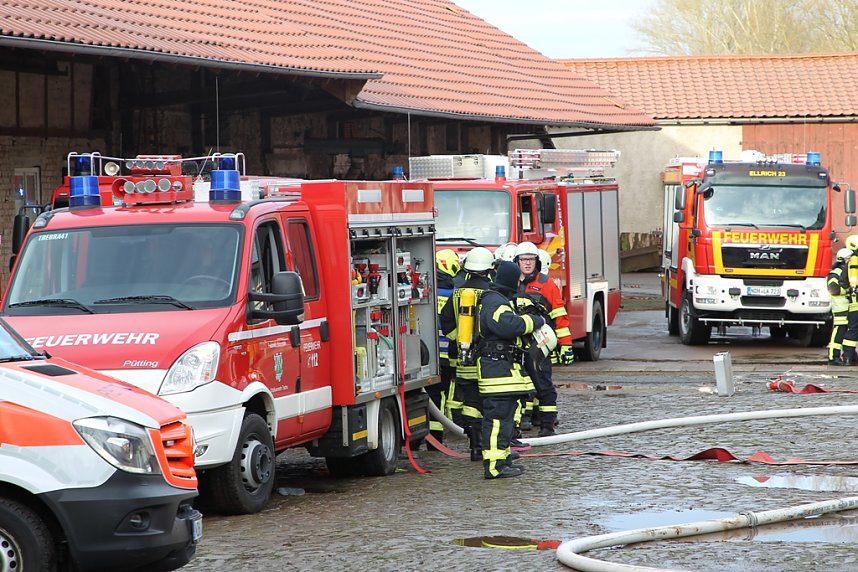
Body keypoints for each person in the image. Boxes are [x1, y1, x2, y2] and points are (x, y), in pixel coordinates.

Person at [476, 260, 543, 479]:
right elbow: (507, 325)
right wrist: (534, 321)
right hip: (496, 370)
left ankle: (502, 457)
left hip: (502, 368)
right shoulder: (495, 302)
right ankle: (495, 467)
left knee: (504, 418)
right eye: (517, 279)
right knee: (497, 419)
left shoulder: (498, 299)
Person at [439, 246, 495, 461]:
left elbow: (447, 322)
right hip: (488, 359)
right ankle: (491, 445)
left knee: (470, 401)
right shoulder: (493, 293)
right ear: (489, 269)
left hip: (463, 359)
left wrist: (459, 341)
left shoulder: (457, 293)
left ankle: (474, 447)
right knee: (489, 402)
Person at [513, 241, 572, 437]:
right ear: (517, 261)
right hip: (516, 343)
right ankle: (520, 424)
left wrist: (566, 345)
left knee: (543, 383)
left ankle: (547, 425)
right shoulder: (511, 282)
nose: (527, 263)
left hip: (540, 342)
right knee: (518, 385)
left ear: (536, 261)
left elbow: (560, 316)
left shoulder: (546, 284)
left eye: (531, 260)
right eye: (524, 260)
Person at [427, 249, 463, 448]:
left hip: (428, 357)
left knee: (429, 396)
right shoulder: (455, 294)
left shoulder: (428, 292)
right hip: (449, 355)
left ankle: (422, 439)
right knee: (449, 396)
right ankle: (444, 433)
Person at [827, 248, 852, 365]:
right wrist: (848, 289)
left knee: (848, 335)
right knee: (838, 334)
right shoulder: (835, 273)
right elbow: (833, 289)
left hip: (849, 309)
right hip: (841, 310)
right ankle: (833, 357)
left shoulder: (849, 272)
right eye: (849, 259)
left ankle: (850, 355)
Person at [842, 235, 858, 365]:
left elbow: (845, 282)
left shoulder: (851, 261)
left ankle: (849, 357)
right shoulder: (854, 260)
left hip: (854, 302)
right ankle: (849, 356)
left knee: (853, 329)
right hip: (856, 301)